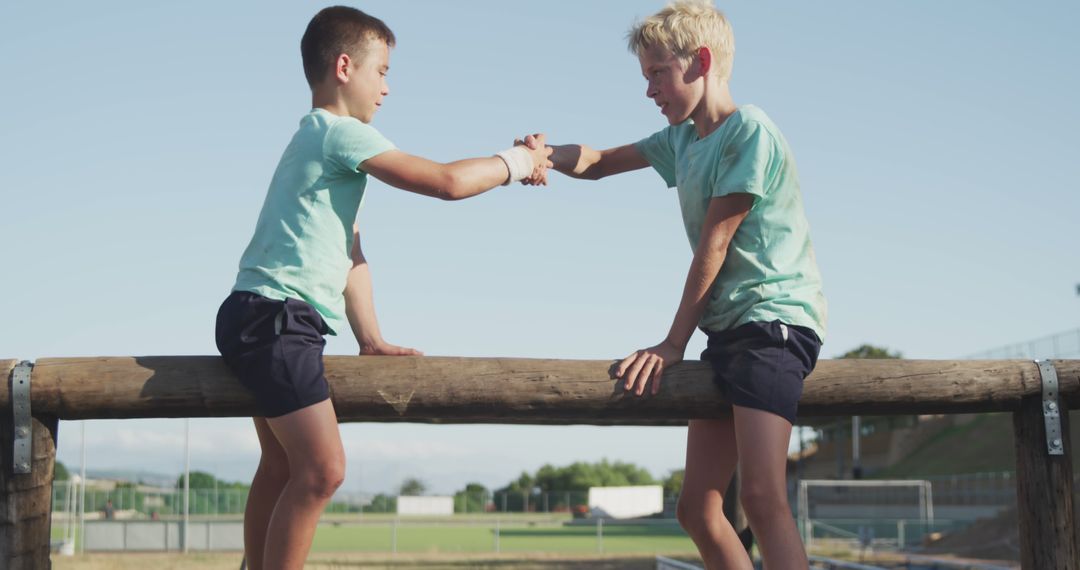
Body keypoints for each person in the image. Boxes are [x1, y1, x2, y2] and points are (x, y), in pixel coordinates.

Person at [214, 7, 551, 570]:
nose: (388, 88)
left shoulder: (319, 145)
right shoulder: (339, 134)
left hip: (261, 315)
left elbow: (351, 255)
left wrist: (370, 338)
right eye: (383, 71)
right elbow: (445, 183)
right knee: (324, 471)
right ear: (345, 67)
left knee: (281, 468)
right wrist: (519, 161)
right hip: (275, 320)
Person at [523, 1, 826, 567]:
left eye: (657, 73)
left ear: (701, 62)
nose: (649, 90)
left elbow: (716, 244)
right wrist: (541, 155)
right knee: (697, 509)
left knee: (761, 497)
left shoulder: (749, 132)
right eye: (645, 77)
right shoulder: (683, 140)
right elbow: (599, 161)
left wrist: (670, 345)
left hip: (772, 325)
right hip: (729, 332)